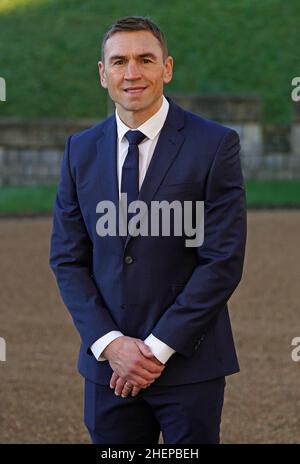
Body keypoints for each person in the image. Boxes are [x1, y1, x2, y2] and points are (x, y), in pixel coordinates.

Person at [49, 15, 247, 444]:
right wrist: (110, 344)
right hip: (108, 371)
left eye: (145, 59)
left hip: (189, 366)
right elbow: (67, 258)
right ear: (103, 74)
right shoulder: (79, 151)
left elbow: (222, 261)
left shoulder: (215, 145)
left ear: (167, 68)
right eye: (119, 61)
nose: (132, 73)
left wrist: (156, 349)